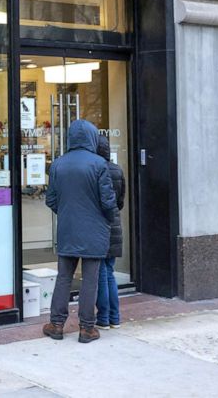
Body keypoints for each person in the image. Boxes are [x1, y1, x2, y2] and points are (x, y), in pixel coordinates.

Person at [42, 119, 117, 344]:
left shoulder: (57, 164)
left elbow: (51, 200)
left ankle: (56, 324)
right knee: (90, 280)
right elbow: (108, 201)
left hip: (67, 228)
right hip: (94, 230)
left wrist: (65, 213)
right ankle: (87, 328)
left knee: (64, 277)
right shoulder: (99, 164)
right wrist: (106, 221)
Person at [96, 135, 126, 331]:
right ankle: (115, 317)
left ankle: (104, 317)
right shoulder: (117, 169)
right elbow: (120, 201)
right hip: (115, 224)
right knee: (109, 273)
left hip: (100, 226)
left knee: (102, 273)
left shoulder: (96, 170)